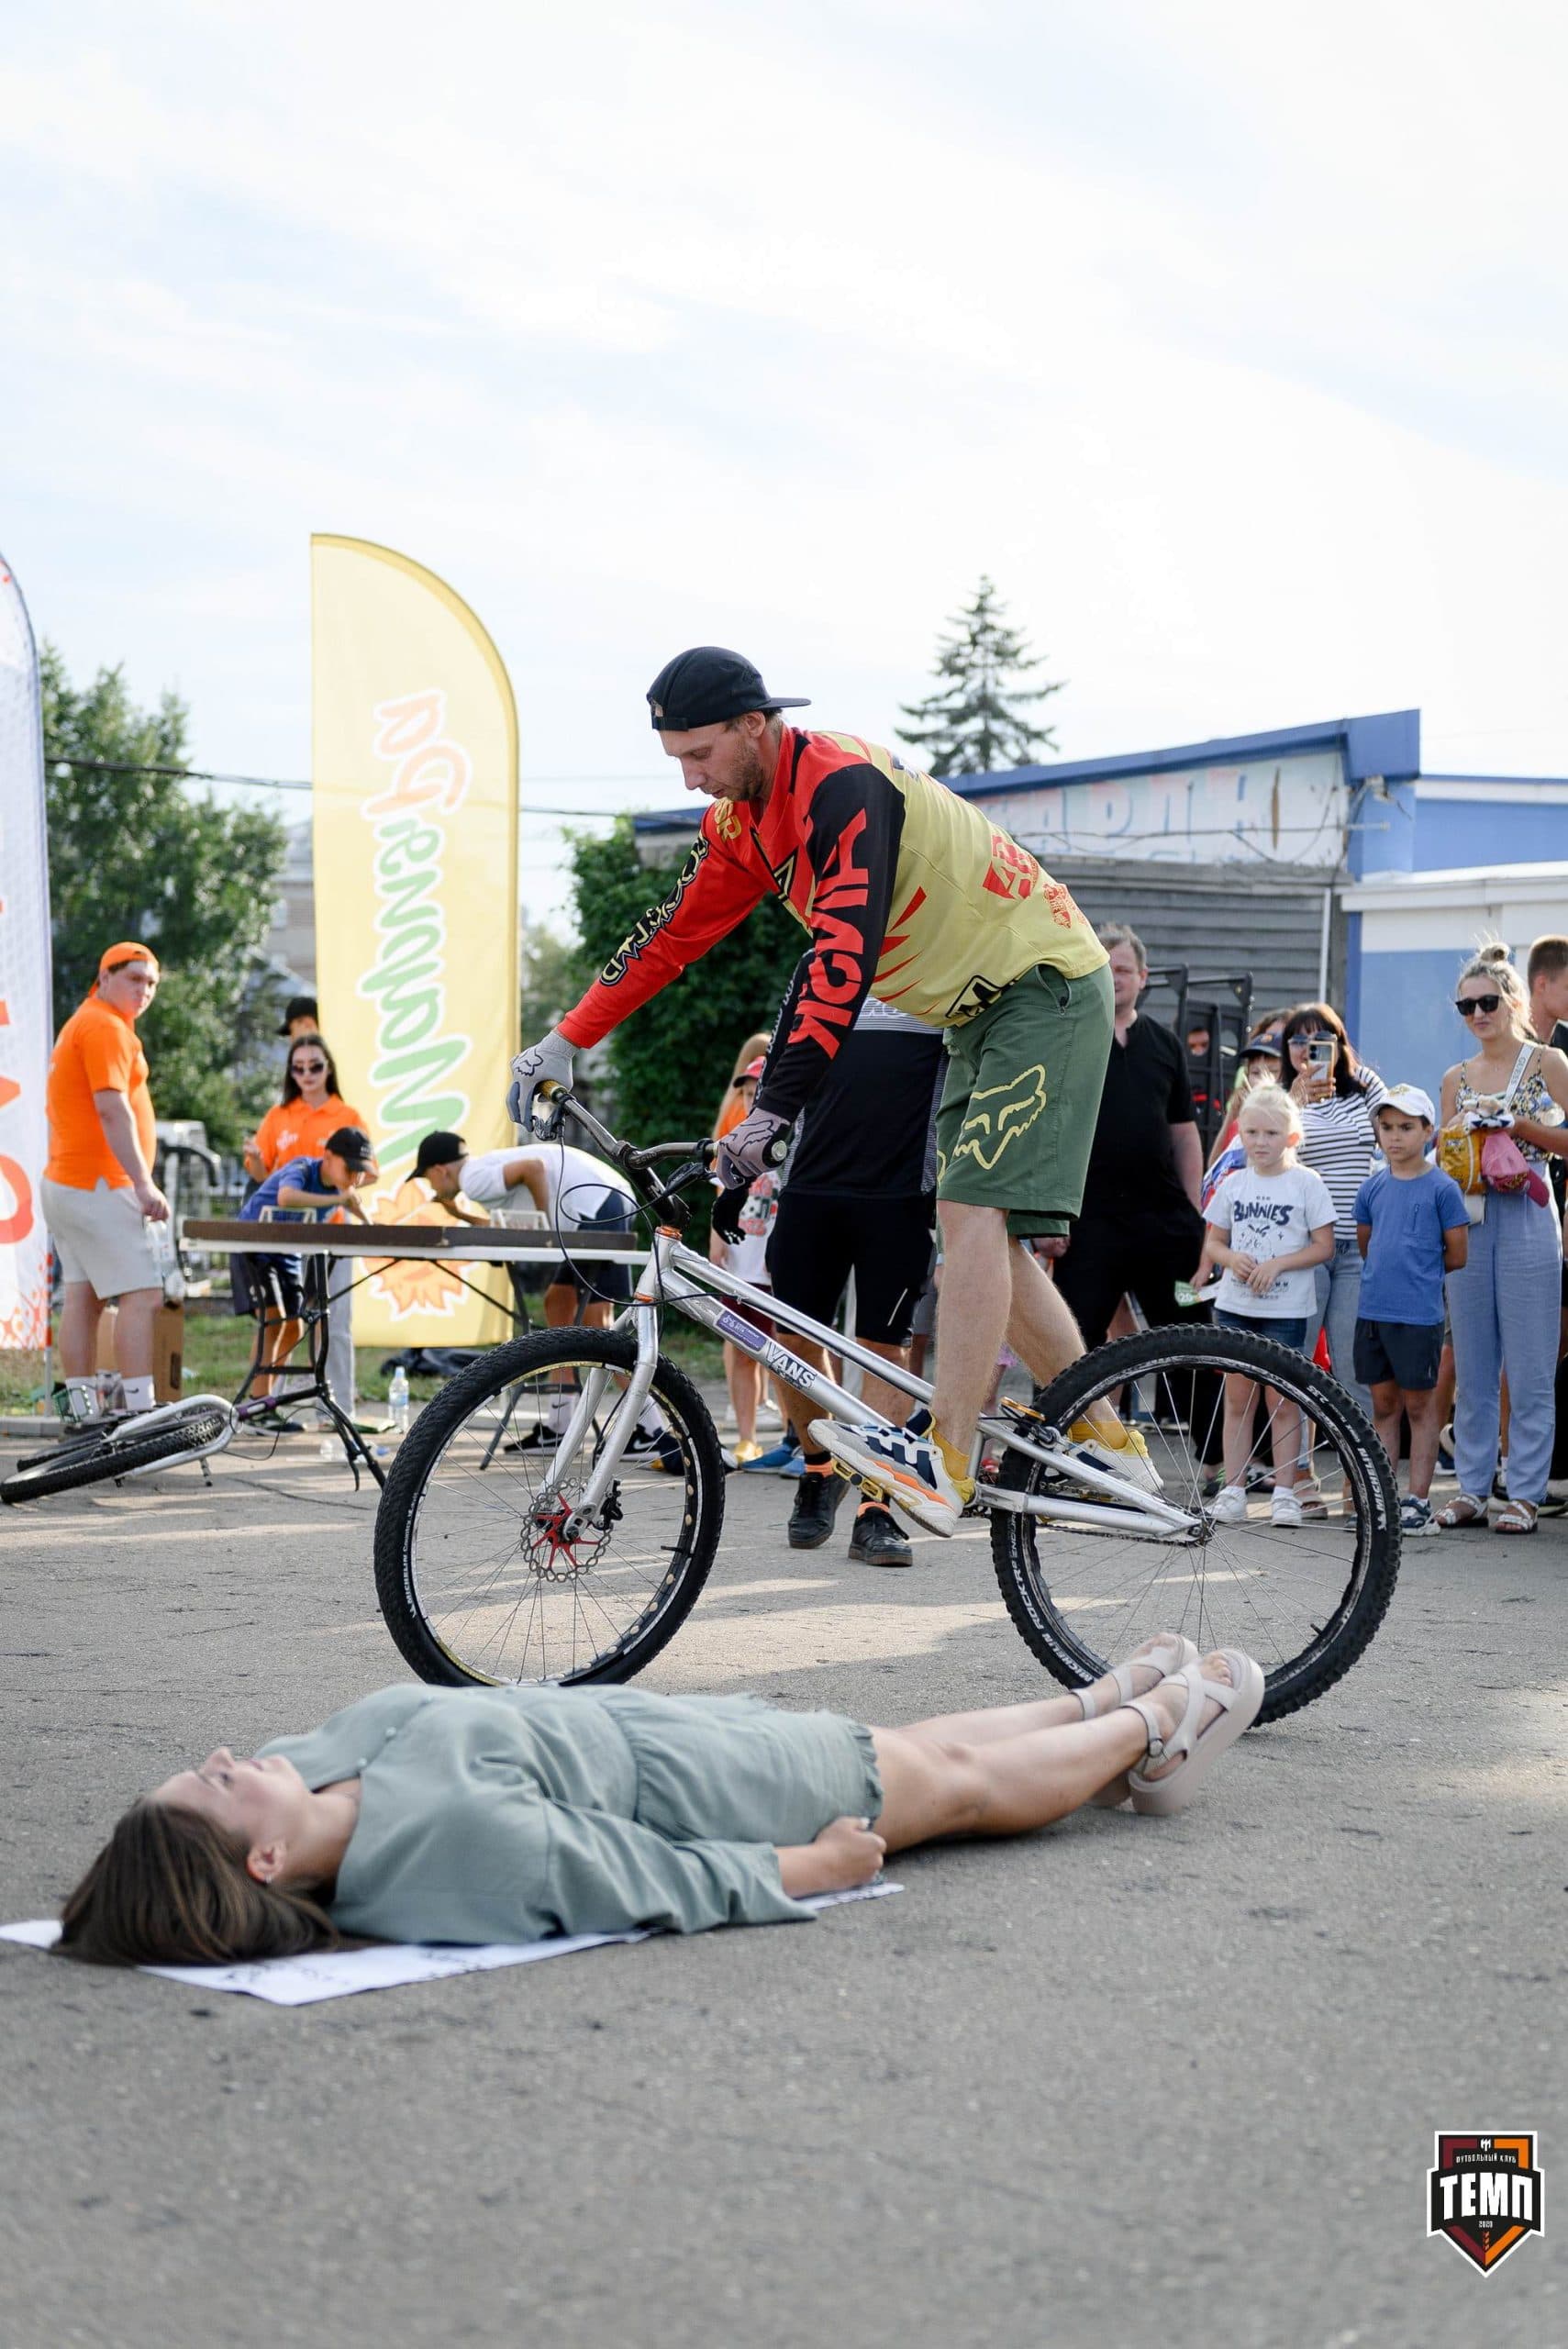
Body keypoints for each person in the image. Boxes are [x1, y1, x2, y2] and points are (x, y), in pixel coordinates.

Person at [508, 645, 1122, 1540]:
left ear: (753, 726)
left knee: (968, 1211)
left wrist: (768, 1113)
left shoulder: (841, 786)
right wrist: (566, 1037)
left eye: (699, 755)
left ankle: (945, 1458)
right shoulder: (741, 822)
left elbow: (840, 961)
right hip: (974, 1013)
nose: (689, 779)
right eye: (675, 759)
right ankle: (1107, 1437)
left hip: (1044, 982)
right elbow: (668, 937)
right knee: (988, 1240)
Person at [56, 1635, 1265, 1966]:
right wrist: (805, 1875)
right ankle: (1148, 1733)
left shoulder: (303, 1767)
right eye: (216, 1783)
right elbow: (631, 1880)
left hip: (669, 1733)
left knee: (895, 1745)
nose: (227, 1754)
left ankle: (1086, 1707)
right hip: (708, 1795)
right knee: (943, 1787)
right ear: (264, 1863)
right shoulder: (435, 1857)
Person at [766, 998, 945, 1568]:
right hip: (809, 1187)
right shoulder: (819, 964)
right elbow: (779, 1075)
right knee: (790, 1338)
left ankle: (877, 1504)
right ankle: (819, 1468)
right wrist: (744, 1174)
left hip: (899, 1195)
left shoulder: (940, 967)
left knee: (883, 1349)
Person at [412, 1130, 677, 1467]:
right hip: (603, 1199)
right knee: (558, 1301)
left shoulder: (473, 1178)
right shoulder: (482, 1173)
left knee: (602, 1324)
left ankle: (650, 1430)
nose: (432, 1188)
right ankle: (560, 1424)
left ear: (439, 1170)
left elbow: (534, 1168)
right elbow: (510, 1223)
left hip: (598, 1205)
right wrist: (462, 1216)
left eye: (428, 1180)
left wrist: (546, 1229)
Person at [1436, 946, 1568, 1535]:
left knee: (1532, 1363)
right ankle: (1471, 1486)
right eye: (1465, 1005)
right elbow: (1443, 1157)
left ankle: (1526, 1491)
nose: (1477, 1014)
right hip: (1470, 1217)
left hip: (1527, 1213)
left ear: (1513, 1000)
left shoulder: (1547, 1061)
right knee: (1473, 1362)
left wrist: (1518, 1127)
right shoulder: (1454, 1078)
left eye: (1486, 1002)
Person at [41, 942, 170, 1424]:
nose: (145, 991)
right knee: (142, 1295)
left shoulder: (84, 1021)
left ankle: (82, 1412)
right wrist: (142, 1183)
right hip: (99, 1184)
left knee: (84, 1296)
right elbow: (111, 1107)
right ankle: (141, 1416)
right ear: (106, 977)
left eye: (152, 982)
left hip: (66, 1181)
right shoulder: (105, 1027)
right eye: (135, 979)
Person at [1199, 1085, 1335, 1525]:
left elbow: (1324, 1247)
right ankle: (1233, 1489)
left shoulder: (1307, 1185)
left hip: (1287, 1310)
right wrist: (1231, 1258)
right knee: (1238, 1399)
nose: (1260, 1142)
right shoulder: (1234, 1184)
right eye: (1252, 1132)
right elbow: (1214, 1243)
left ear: (1292, 1138)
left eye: (1271, 1133)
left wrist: (1279, 1264)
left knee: (1283, 1401)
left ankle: (1285, 1492)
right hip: (1236, 1306)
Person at [1351, 1085, 1470, 1537]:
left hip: (1418, 1317)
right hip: (1374, 1313)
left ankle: (1418, 1501)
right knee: (1384, 1406)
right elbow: (1368, 1244)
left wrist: (1418, 1277)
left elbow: (1456, 1255)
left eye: (1405, 1127)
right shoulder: (1372, 1186)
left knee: (1420, 1407)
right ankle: (1384, 1498)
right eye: (1386, 1127)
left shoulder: (1442, 1188)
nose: (1394, 1137)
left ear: (1427, 1131)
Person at [242, 1035, 373, 1428]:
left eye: (314, 1066)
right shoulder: (279, 1114)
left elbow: (369, 1170)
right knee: (281, 1319)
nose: (306, 1074)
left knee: (333, 1321)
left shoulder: (345, 1114)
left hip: (332, 1233)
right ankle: (264, 1403)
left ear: (328, 1067)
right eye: (297, 1068)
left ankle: (336, 1407)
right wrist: (254, 1164)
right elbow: (271, 1181)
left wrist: (340, 1190)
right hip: (285, 1237)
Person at [1282, 1002, 1387, 1434]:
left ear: (1340, 1045)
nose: (1309, 1049)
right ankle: (1299, 1477)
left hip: (1357, 1247)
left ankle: (1358, 1476)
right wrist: (1295, 1099)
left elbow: (1397, 1136)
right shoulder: (1282, 1098)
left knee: (1353, 1366)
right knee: (1296, 1365)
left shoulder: (1365, 1087)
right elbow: (1266, 1156)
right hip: (1304, 1246)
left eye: (1320, 1040)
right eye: (1298, 1040)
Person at [238, 1128, 376, 1396]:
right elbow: (286, 1197)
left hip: (287, 1253)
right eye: (350, 1168)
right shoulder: (301, 1168)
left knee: (294, 1327)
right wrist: (340, 1198)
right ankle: (256, 1401)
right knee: (274, 1319)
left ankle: (269, 1400)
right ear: (328, 1156)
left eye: (360, 1171)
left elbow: (352, 1202)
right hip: (256, 1245)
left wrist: (370, 1224)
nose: (354, 1178)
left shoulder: (339, 1188)